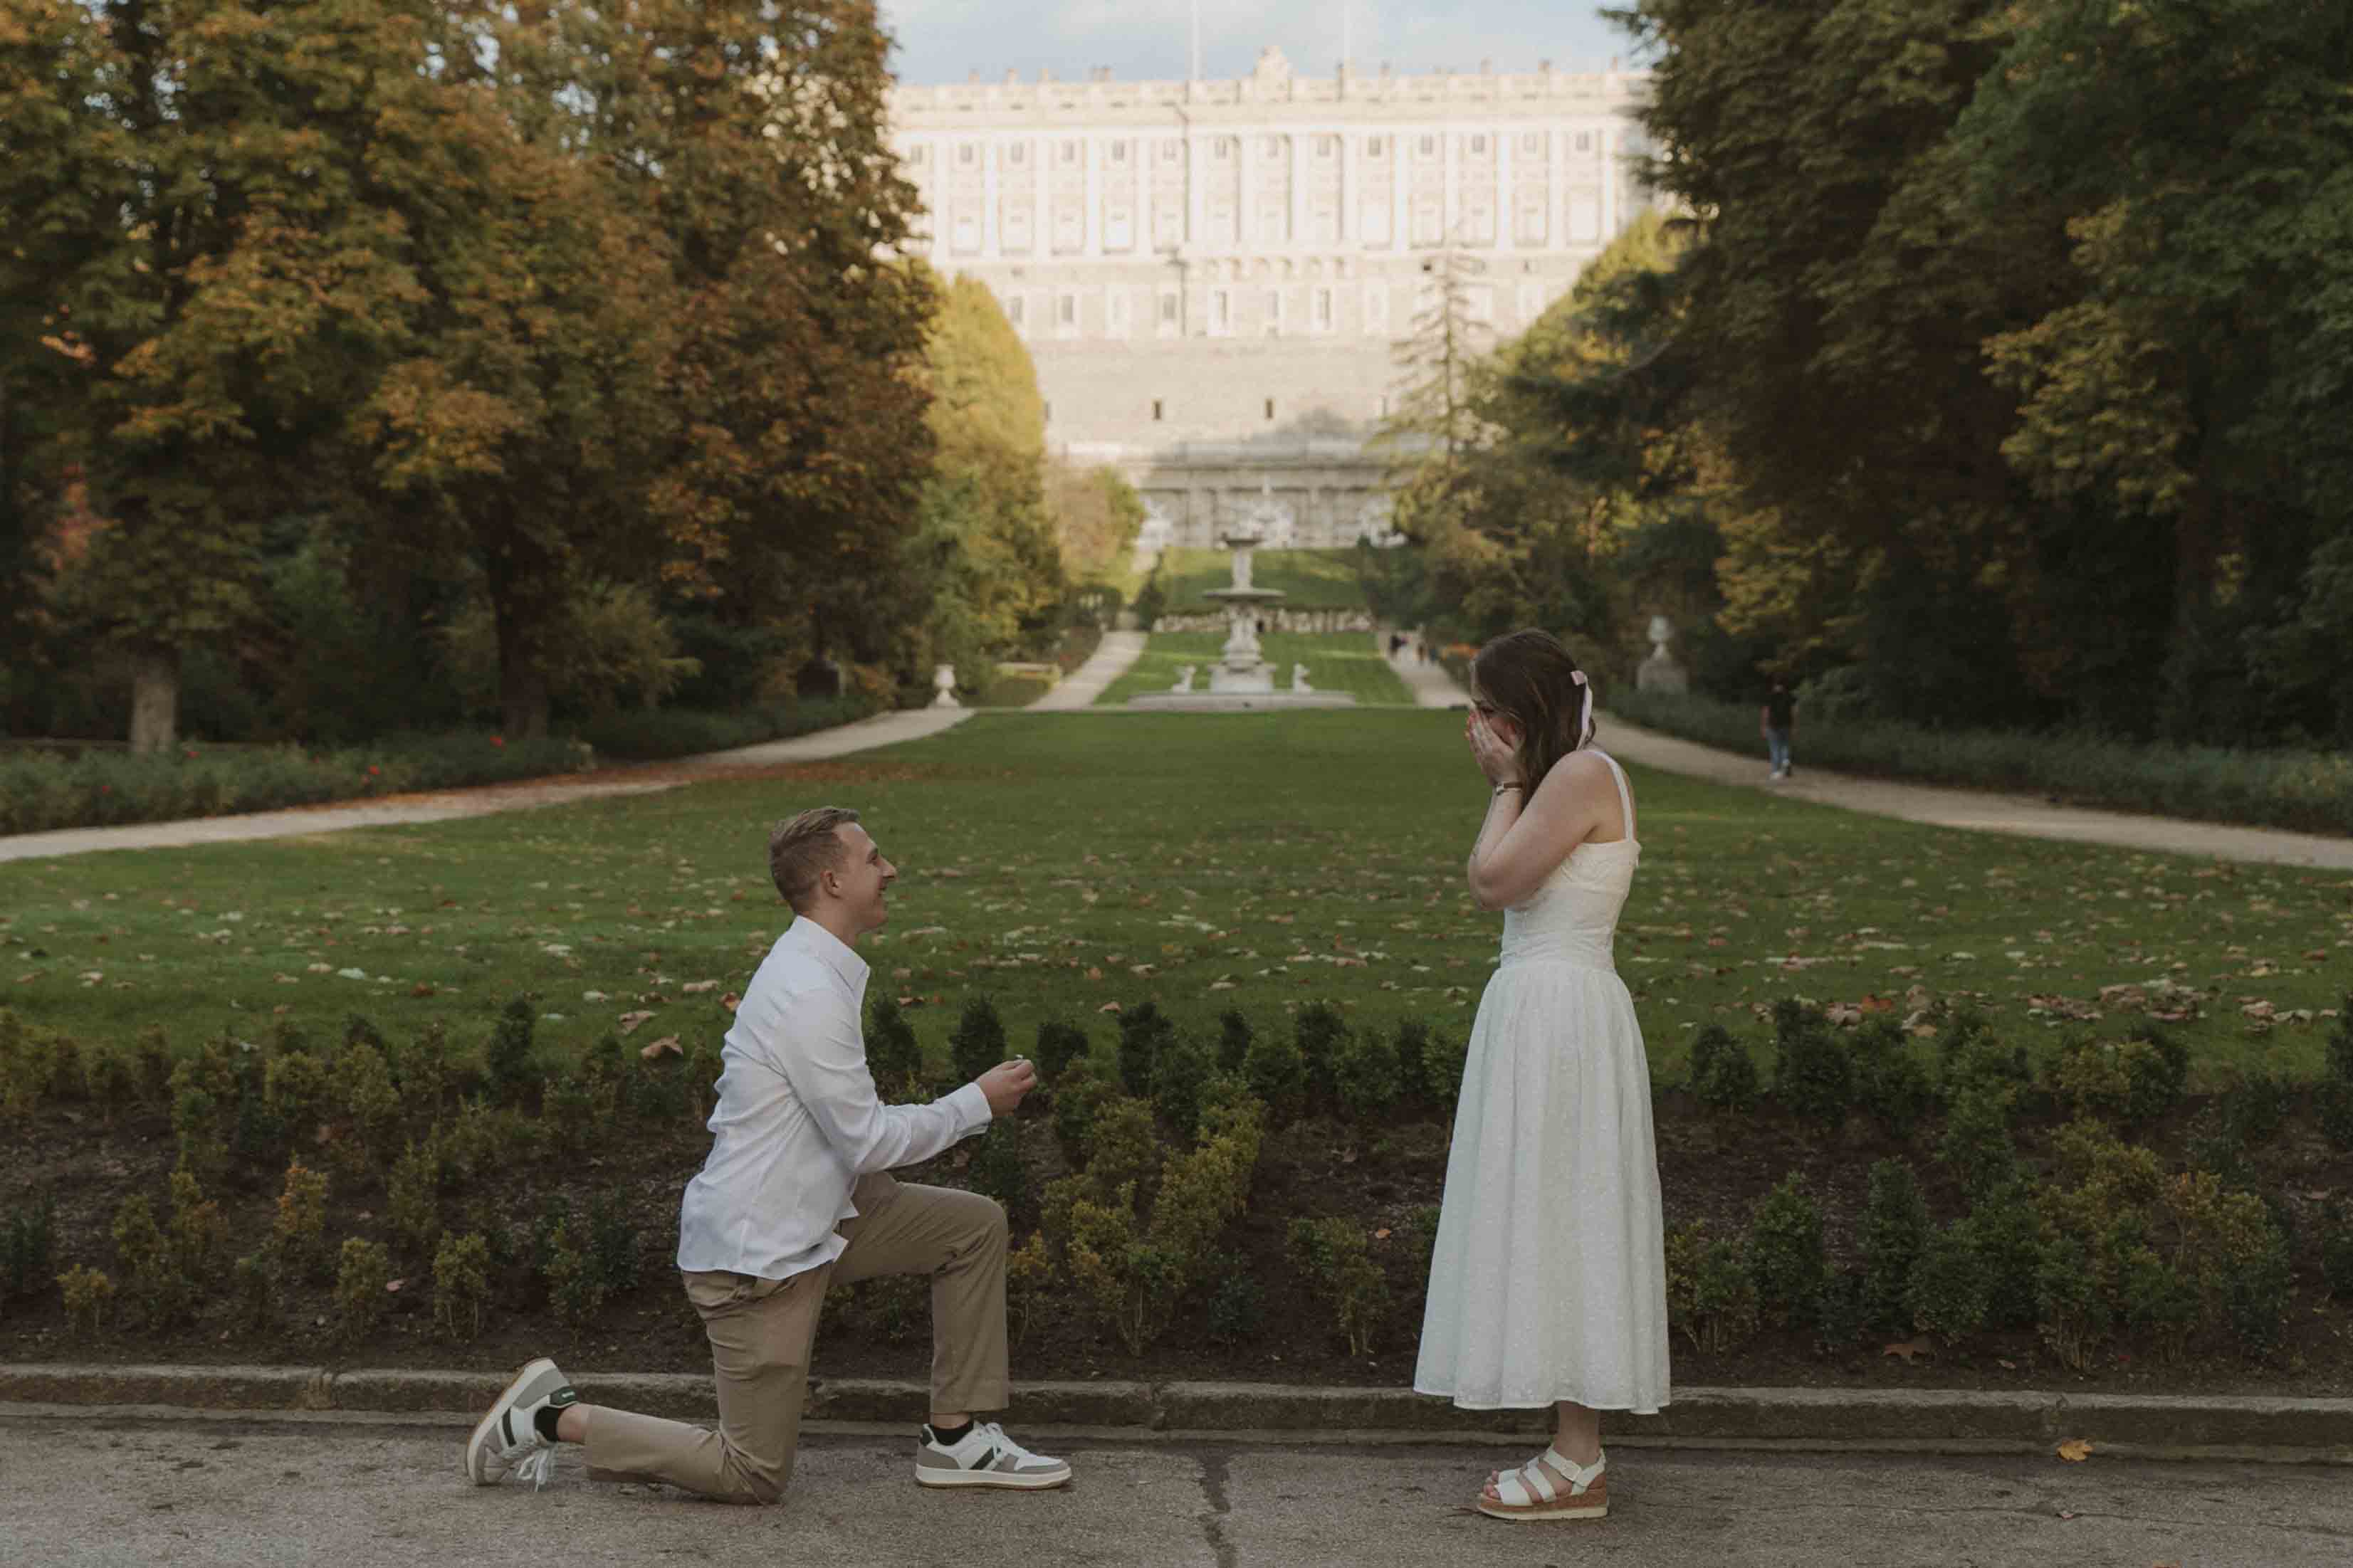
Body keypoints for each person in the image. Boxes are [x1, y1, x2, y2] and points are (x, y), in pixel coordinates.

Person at [464, 806, 1069, 1503]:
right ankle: (551, 1415)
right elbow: (866, 1138)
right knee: (750, 1472)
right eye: (874, 858)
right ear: (833, 879)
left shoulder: (819, 967)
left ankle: (956, 1440)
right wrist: (976, 1103)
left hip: (821, 1220)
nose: (891, 868)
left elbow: (846, 1145)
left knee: (971, 1225)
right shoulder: (807, 993)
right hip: (756, 1262)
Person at [1415, 628, 1670, 1522]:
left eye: (1484, 712)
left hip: (1560, 1014)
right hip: (1541, 1011)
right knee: (1550, 1213)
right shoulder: (1570, 775)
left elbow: (1492, 881)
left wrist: (1507, 782)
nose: (1474, 728)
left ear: (1519, 717)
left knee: (1569, 1211)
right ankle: (1572, 1448)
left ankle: (1579, 1458)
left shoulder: (1573, 778)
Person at [1761, 678, 1796, 781]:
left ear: (1774, 686)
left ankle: (1776, 771)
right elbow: (1794, 712)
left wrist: (1764, 725)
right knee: (1785, 745)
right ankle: (1786, 761)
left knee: (1775, 748)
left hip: (1773, 725)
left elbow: (1766, 712)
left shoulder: (1770, 696)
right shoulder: (1789, 696)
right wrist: (1794, 725)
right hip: (1786, 724)